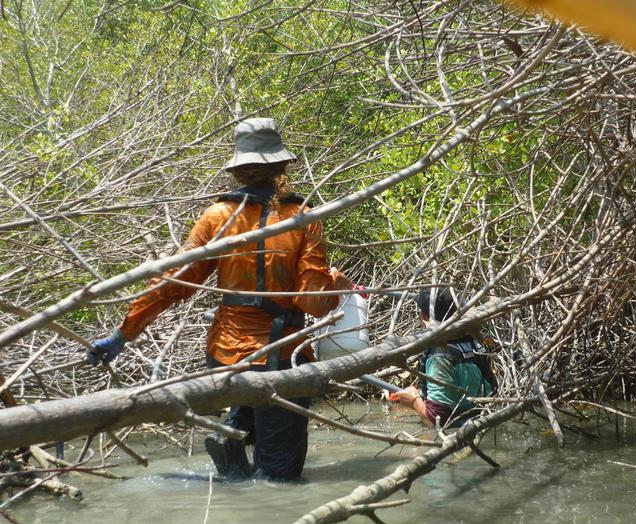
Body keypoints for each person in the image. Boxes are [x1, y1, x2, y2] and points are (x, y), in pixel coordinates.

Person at [88, 117, 352, 480]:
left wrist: (123, 334)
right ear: (282, 165)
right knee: (279, 478)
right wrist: (338, 285)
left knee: (246, 418)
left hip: (225, 355)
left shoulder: (218, 216)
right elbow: (311, 301)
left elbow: (173, 283)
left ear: (240, 169)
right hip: (280, 358)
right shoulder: (303, 217)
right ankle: (253, 462)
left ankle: (233, 430)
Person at [392, 287, 497, 428]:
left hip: (457, 431)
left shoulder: (439, 357)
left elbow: (436, 420)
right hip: (487, 419)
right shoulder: (476, 341)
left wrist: (414, 400)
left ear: (422, 315)